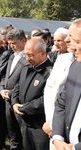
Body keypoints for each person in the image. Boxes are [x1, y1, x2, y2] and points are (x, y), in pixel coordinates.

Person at [12, 38, 52, 150]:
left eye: (30, 55)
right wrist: (14, 103)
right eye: (26, 55)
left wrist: (24, 108)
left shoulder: (50, 72)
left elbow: (46, 99)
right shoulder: (26, 68)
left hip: (39, 126)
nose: (27, 58)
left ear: (42, 53)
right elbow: (17, 87)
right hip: (25, 122)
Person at [43, 22, 75, 150]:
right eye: (55, 40)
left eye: (60, 40)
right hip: (54, 121)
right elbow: (49, 89)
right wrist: (51, 120)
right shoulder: (59, 58)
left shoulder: (74, 60)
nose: (57, 43)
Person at [52, 18, 81, 150]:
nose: (72, 47)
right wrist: (57, 137)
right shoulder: (75, 66)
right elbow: (62, 102)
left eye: (77, 42)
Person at [0, 28, 27, 150]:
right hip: (7, 99)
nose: (11, 46)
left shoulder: (27, 58)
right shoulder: (11, 57)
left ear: (23, 41)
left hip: (19, 100)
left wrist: (11, 92)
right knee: (12, 131)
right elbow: (5, 76)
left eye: (14, 43)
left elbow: (24, 81)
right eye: (9, 43)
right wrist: (2, 89)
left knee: (21, 132)